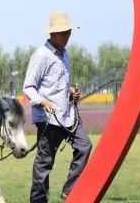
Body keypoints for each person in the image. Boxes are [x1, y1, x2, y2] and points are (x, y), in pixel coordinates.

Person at [23, 12, 92, 202]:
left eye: (69, 32)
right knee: (44, 163)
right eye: (64, 33)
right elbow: (28, 87)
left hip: (68, 114)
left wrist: (71, 93)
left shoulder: (64, 54)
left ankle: (70, 191)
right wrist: (43, 101)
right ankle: (38, 201)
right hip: (48, 118)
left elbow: (56, 86)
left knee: (84, 146)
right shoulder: (41, 55)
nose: (68, 36)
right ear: (53, 34)